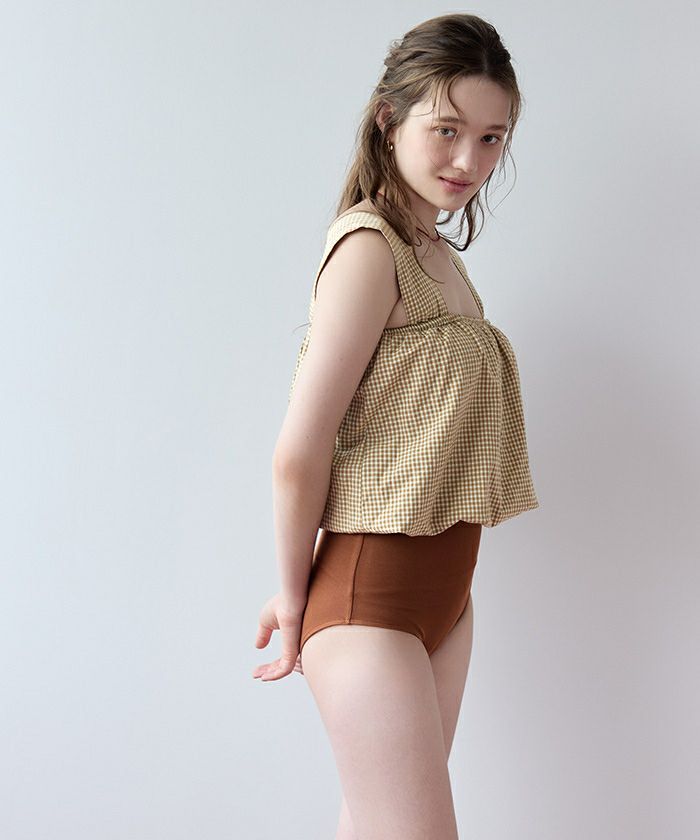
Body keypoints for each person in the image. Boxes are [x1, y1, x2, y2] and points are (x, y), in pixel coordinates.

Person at [252, 13, 539, 839]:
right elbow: (298, 451)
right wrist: (294, 598)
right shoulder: (369, 249)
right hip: (369, 601)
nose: (468, 161)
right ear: (389, 118)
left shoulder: (438, 257)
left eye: (490, 138)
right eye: (446, 129)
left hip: (446, 598)